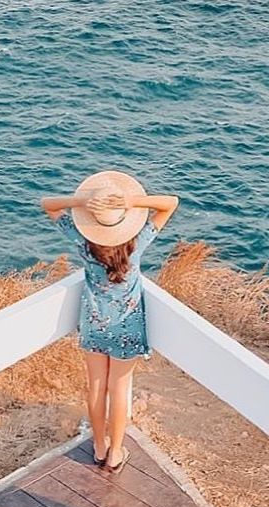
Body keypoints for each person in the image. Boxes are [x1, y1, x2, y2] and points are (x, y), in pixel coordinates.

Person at [42, 170, 179, 475]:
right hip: (128, 327)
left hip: (93, 322)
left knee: (95, 387)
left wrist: (82, 201)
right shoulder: (137, 242)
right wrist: (131, 201)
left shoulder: (83, 241)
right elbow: (170, 203)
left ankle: (99, 445)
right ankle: (115, 453)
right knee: (119, 389)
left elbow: (48, 204)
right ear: (124, 221)